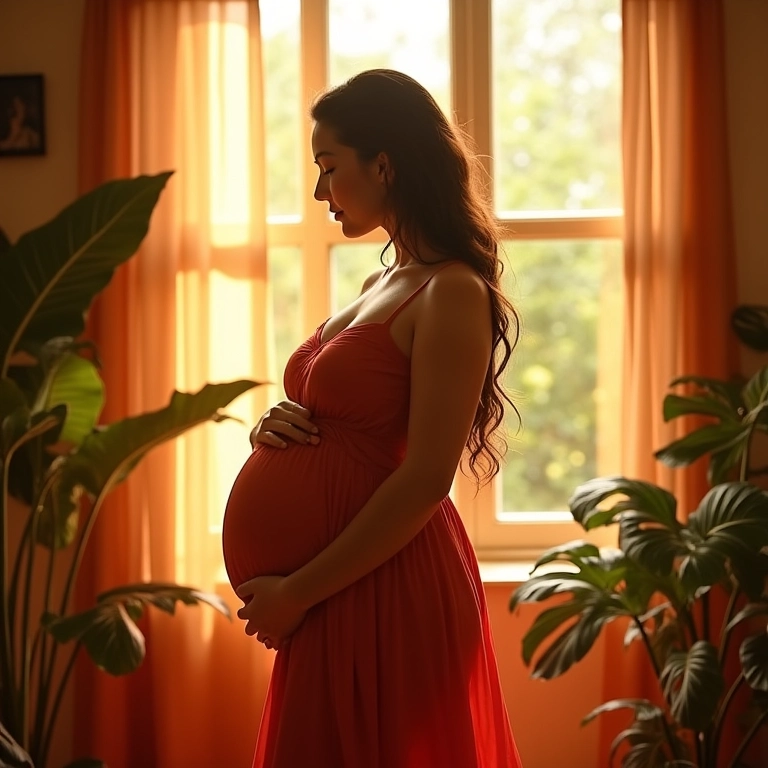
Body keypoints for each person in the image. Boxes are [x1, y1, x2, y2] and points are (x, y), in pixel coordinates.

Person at [222, 69, 523, 768]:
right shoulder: (381, 281)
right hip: (336, 590)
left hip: (385, 587)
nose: (321, 192)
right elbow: (341, 421)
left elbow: (424, 479)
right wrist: (275, 425)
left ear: (383, 165)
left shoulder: (452, 291)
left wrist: (296, 591)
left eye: (330, 168)